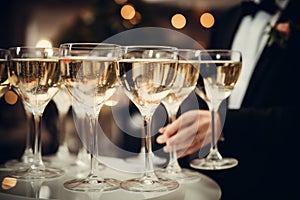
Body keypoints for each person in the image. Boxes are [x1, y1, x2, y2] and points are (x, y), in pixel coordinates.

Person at [157, 0, 300, 199]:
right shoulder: (229, 18)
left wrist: (225, 124)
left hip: (281, 181)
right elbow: (210, 88)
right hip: (222, 180)